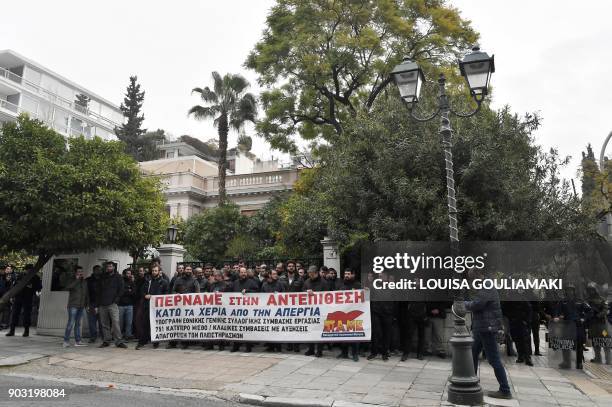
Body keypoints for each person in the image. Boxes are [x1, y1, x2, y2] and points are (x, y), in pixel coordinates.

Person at [465, 268, 512, 400]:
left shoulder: (487, 285)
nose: (472, 281)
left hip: (487, 329)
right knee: (473, 353)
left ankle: (505, 390)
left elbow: (478, 304)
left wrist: (463, 304)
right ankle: (471, 381)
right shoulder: (484, 285)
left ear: (477, 276)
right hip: (482, 328)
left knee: (494, 359)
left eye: (472, 278)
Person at [553, 285, 591, 370]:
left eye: (571, 290)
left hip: (578, 326)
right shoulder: (562, 301)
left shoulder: (580, 301)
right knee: (566, 343)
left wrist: (584, 318)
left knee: (579, 345)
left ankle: (579, 363)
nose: (570, 292)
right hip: (567, 325)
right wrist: (556, 316)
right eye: (568, 290)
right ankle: (566, 362)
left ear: (574, 291)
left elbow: (589, 311)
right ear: (565, 291)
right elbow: (557, 311)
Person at [136, 264, 168, 349]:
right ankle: (142, 341)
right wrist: (144, 295)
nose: (154, 272)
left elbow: (166, 294)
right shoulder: (148, 281)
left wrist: (155, 297)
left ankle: (156, 342)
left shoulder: (164, 282)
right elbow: (142, 291)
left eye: (155, 271)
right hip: (147, 305)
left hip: (158, 307)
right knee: (145, 324)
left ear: (159, 271)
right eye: (153, 271)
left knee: (156, 324)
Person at [168, 265, 200, 349]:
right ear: (184, 270)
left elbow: (198, 293)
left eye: (190, 269)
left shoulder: (194, 281)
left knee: (186, 325)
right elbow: (173, 290)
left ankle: (185, 343)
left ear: (191, 271)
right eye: (187, 269)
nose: (188, 271)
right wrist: (176, 294)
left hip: (189, 308)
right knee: (176, 324)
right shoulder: (178, 280)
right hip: (178, 306)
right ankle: (172, 343)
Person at [6, 265, 42, 337]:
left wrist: (31, 287)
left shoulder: (35, 277)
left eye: (28, 270)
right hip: (18, 297)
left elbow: (39, 287)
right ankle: (12, 330)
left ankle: (26, 330)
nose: (27, 271)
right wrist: (13, 296)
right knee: (15, 313)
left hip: (28, 297)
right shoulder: (20, 276)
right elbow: (15, 286)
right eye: (26, 270)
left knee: (27, 314)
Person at [96, 263, 126, 348]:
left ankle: (119, 341)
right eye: (107, 266)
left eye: (110, 266)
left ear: (113, 267)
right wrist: (98, 303)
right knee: (104, 324)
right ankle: (106, 341)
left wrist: (116, 300)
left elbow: (121, 289)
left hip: (113, 304)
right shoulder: (103, 277)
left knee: (116, 323)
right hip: (102, 304)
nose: (109, 268)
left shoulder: (118, 277)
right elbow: (98, 290)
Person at [231, 267, 259, 353]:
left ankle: (248, 347)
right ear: (239, 273)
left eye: (244, 272)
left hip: (248, 310)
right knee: (236, 328)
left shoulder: (251, 282)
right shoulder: (235, 283)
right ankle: (236, 346)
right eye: (241, 272)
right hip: (237, 310)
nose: (243, 274)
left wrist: (248, 291)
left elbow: (257, 292)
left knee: (247, 329)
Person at [303, 265, 330, 357]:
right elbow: (301, 294)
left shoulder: (324, 282)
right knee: (310, 330)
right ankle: (310, 349)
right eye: (309, 274)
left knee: (319, 330)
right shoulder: (306, 282)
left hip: (321, 310)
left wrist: (314, 294)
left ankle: (319, 350)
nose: (310, 275)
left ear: (316, 273)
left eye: (312, 274)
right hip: (309, 310)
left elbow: (327, 296)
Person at [335, 268, 361, 361]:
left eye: (348, 274)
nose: (346, 275)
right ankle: (344, 353)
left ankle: (355, 354)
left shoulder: (358, 285)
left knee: (354, 335)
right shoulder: (340, 284)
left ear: (352, 275)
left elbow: (363, 299)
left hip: (353, 314)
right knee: (343, 334)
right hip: (342, 313)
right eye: (345, 273)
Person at [367, 272, 394, 361]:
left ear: (386, 277)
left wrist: (393, 313)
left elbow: (396, 302)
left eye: (381, 276)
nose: (380, 278)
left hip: (388, 314)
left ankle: (384, 353)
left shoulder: (392, 287)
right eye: (378, 276)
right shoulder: (373, 286)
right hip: (376, 313)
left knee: (387, 334)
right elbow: (369, 298)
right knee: (376, 333)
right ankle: (374, 352)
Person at [61, 266, 89, 347]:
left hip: (81, 306)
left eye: (81, 271)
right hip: (73, 305)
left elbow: (86, 294)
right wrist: (76, 280)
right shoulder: (72, 280)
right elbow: (68, 287)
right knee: (70, 323)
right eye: (79, 271)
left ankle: (78, 341)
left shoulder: (84, 281)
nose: (80, 273)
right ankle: (66, 341)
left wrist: (86, 304)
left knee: (78, 324)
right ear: (75, 272)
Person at [503, 300, 533, 366]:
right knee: (517, 340)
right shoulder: (510, 300)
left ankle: (527, 358)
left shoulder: (523, 300)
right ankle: (521, 356)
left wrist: (526, 321)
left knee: (524, 340)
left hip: (521, 322)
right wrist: (511, 318)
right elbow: (505, 309)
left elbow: (529, 310)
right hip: (514, 322)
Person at [204, 270, 229, 351]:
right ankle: (209, 344)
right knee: (211, 327)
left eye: (217, 275)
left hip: (222, 309)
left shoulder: (226, 285)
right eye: (214, 275)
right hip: (213, 309)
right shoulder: (212, 285)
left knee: (221, 327)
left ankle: (221, 345)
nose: (215, 277)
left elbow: (229, 296)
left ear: (221, 276)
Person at [262, 269, 286, 352]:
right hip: (268, 310)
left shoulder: (280, 284)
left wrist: (279, 295)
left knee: (277, 329)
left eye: (276, 274)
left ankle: (278, 347)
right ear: (269, 275)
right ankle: (270, 346)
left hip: (277, 310)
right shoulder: (264, 285)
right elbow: (260, 297)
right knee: (269, 328)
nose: (276, 275)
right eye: (274, 274)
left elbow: (284, 294)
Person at [587, 285, 611, 364]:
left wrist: (598, 315)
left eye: (592, 290)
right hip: (593, 325)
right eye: (589, 290)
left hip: (602, 325)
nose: (591, 292)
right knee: (595, 341)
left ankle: (608, 360)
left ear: (595, 290)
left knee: (605, 340)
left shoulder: (602, 299)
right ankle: (598, 358)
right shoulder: (588, 300)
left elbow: (605, 310)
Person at [86, 265, 103, 343]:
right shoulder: (88, 280)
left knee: (102, 322)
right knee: (92, 322)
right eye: (97, 270)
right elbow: (86, 294)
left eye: (99, 270)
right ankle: (93, 337)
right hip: (91, 303)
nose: (98, 271)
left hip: (101, 304)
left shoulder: (104, 280)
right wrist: (87, 304)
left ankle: (103, 336)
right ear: (93, 271)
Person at [118, 268, 136, 340]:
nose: (128, 275)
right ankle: (119, 336)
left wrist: (128, 291)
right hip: (120, 305)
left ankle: (128, 335)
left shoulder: (132, 282)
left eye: (129, 273)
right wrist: (128, 290)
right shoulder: (120, 282)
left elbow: (134, 292)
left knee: (129, 322)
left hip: (130, 305)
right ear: (124, 274)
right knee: (120, 323)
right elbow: (120, 292)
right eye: (127, 273)